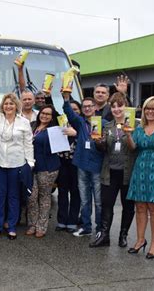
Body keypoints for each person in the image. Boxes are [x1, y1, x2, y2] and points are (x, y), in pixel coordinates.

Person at [90, 92, 137, 248]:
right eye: (114, 106)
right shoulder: (107, 126)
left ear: (126, 106)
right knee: (106, 203)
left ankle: (123, 235)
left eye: (120, 106)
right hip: (109, 172)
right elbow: (104, 149)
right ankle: (104, 235)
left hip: (128, 172)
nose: (117, 109)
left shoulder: (134, 125)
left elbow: (135, 148)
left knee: (128, 205)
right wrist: (98, 142)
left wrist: (129, 134)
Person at [126, 96, 154, 259]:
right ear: (143, 110)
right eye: (147, 108)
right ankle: (140, 240)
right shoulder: (139, 128)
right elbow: (133, 148)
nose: (150, 111)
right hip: (140, 169)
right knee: (140, 207)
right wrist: (128, 135)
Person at [0, 92, 34, 239]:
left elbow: (28, 143)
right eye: (6, 103)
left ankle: (11, 226)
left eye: (11, 103)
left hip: (16, 163)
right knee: (0, 194)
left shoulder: (23, 122)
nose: (8, 106)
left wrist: (30, 162)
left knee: (13, 196)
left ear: (16, 105)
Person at [62, 92, 106, 237]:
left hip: (97, 166)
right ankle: (86, 227)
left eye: (89, 106)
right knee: (85, 200)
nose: (87, 109)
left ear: (95, 108)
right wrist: (66, 99)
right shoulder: (80, 122)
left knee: (99, 201)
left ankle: (100, 229)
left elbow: (107, 145)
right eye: (84, 107)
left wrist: (101, 142)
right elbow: (69, 112)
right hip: (81, 165)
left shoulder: (103, 123)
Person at [26, 105, 60, 238]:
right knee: (32, 197)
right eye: (42, 113)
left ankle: (41, 226)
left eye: (48, 114)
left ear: (52, 117)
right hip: (31, 167)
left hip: (47, 168)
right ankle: (32, 224)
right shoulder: (32, 125)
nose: (44, 116)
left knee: (44, 197)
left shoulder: (54, 130)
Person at [56, 101, 80, 233]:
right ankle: (61, 221)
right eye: (71, 109)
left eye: (76, 109)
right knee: (62, 192)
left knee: (76, 192)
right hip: (62, 162)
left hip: (76, 163)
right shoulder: (62, 122)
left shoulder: (81, 124)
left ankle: (72, 221)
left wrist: (75, 134)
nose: (74, 112)